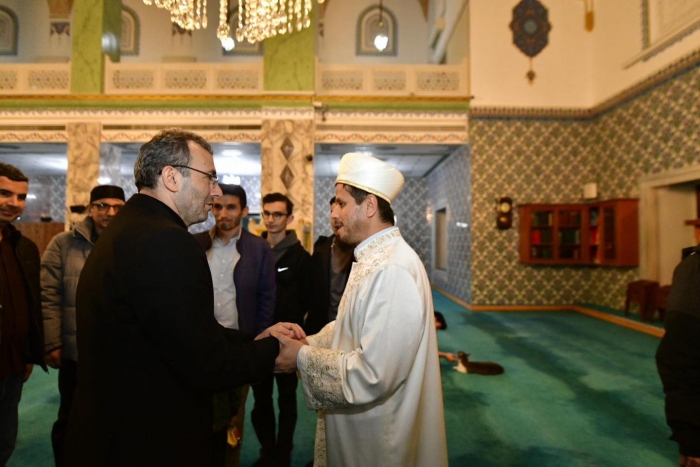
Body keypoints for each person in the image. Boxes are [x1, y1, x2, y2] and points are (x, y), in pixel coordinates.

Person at [63, 129, 302, 467]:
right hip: (145, 439)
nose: (215, 191)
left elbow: (181, 330)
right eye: (210, 178)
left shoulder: (133, 226)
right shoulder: (166, 241)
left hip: (113, 429)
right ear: (172, 177)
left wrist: (256, 339)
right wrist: (274, 352)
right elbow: (204, 363)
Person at [272, 153, 448, 467]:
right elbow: (351, 326)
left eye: (341, 203)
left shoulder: (391, 268)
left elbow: (374, 375)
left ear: (369, 206)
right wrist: (309, 341)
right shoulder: (373, 257)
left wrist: (301, 357)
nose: (333, 213)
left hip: (379, 438)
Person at [41, 184, 125, 466]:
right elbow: (48, 295)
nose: (110, 213)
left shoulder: (130, 243)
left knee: (115, 419)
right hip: (76, 352)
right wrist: (52, 342)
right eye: (102, 206)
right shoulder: (63, 244)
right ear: (90, 209)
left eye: (117, 207)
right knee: (71, 418)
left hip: (117, 354)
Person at [193, 183, 276, 467]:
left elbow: (267, 297)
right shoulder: (197, 244)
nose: (223, 213)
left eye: (230, 207)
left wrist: (257, 341)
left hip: (239, 345)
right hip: (203, 344)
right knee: (202, 412)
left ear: (244, 210)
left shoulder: (259, 249)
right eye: (218, 206)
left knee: (233, 415)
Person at [251, 192, 310, 467]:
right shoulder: (254, 251)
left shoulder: (301, 257)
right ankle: (267, 452)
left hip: (288, 342)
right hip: (259, 339)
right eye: (267, 213)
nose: (271, 219)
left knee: (287, 401)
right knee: (260, 401)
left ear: (290, 218)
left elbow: (308, 301)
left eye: (277, 214)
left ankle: (283, 455)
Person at [0, 163, 46, 467]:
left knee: (5, 440)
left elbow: (31, 303)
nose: (13, 203)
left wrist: (30, 352)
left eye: (20, 197)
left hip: (13, 365)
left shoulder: (24, 247)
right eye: (4, 193)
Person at [656, 220, 700, 467]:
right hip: (685, 338)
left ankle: (690, 452)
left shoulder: (686, 263)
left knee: (684, 392)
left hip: (675, 345)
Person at [304, 196, 354, 336]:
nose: (335, 217)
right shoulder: (321, 248)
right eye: (332, 212)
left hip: (350, 328)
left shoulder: (361, 250)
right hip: (322, 327)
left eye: (340, 211)